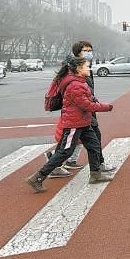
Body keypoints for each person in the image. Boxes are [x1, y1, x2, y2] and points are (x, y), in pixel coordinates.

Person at [26, 57, 114, 192]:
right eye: (86, 66)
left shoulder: (80, 81)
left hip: (84, 122)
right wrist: (106, 107)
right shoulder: (74, 85)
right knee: (65, 151)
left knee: (94, 146)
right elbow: (86, 105)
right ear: (78, 69)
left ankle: (95, 174)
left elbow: (87, 99)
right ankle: (38, 177)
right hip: (74, 124)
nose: (89, 69)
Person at [60, 41, 115, 172]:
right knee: (91, 139)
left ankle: (95, 168)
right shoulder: (75, 68)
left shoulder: (85, 67)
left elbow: (88, 89)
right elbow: (76, 91)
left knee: (78, 140)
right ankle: (46, 170)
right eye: (85, 50)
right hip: (81, 110)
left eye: (90, 50)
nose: (89, 53)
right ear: (78, 52)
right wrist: (101, 106)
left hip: (84, 109)